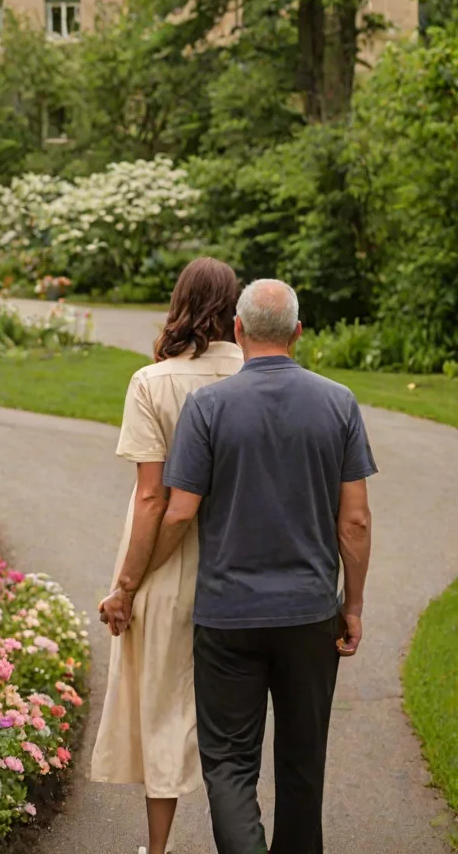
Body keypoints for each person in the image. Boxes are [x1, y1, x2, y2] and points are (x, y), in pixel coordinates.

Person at [120, 278, 375, 854]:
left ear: (238, 331)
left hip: (227, 616)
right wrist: (352, 604)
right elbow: (354, 522)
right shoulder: (338, 402)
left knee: (230, 764)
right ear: (298, 334)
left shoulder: (208, 408)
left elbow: (179, 511)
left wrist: (136, 580)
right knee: (303, 762)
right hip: (310, 613)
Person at [91, 256, 243, 854]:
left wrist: (126, 585)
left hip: (164, 564)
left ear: (179, 302)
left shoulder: (153, 382)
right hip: (235, 555)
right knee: (230, 718)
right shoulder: (252, 373)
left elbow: (154, 497)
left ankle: (158, 850)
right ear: (234, 306)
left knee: (160, 707)